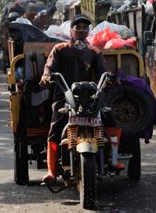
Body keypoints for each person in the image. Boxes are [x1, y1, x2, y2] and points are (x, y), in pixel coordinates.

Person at [39, 14, 112, 184]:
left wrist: (109, 78)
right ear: (71, 30)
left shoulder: (94, 51)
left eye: (84, 28)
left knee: (108, 120)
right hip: (63, 96)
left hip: (88, 97)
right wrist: (46, 76)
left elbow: (103, 71)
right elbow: (49, 67)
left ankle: (112, 160)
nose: (81, 30)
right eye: (77, 27)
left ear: (88, 31)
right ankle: (51, 171)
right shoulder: (60, 49)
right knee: (55, 128)